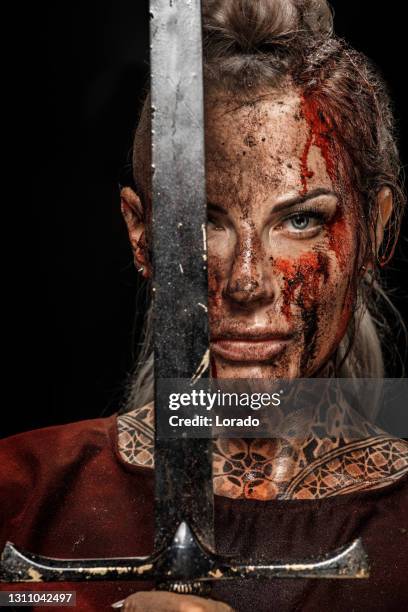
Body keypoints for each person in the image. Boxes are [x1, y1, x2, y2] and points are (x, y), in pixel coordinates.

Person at [1, 1, 407, 610]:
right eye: (200, 222)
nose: (248, 282)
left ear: (377, 231)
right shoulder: (21, 490)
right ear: (141, 235)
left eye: (299, 220)